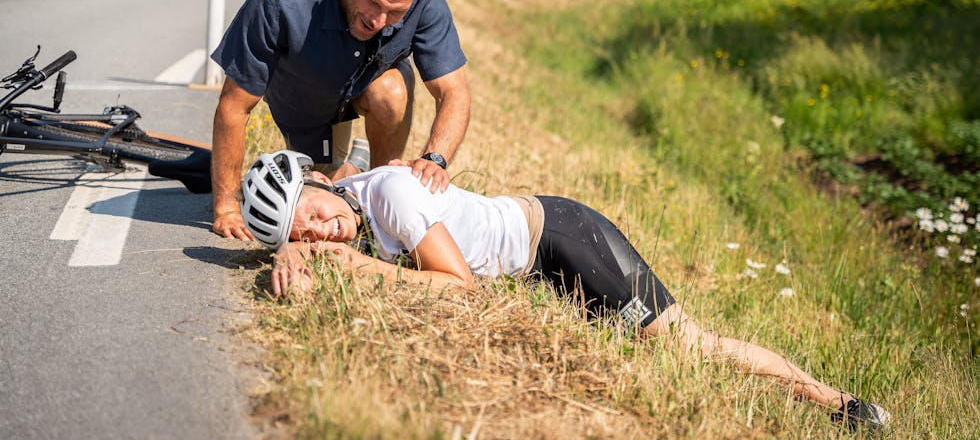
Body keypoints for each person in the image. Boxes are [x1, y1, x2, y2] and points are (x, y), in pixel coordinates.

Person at [238, 150, 892, 435]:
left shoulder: (388, 195)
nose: (327, 231)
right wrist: (296, 252)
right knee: (661, 357)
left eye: (317, 215)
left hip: (563, 239)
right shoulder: (347, 190)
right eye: (310, 232)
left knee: (688, 349)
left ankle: (834, 401)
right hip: (544, 247)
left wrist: (346, 268)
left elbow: (456, 287)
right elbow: (348, 173)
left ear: (319, 182)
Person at [210, 0, 471, 241]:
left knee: (391, 92)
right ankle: (350, 170)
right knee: (324, 188)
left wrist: (435, 159)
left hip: (367, 82)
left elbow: (454, 91)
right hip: (304, 98)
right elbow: (234, 106)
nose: (379, 20)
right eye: (373, 2)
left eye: (396, 12)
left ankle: (378, 197)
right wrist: (226, 207)